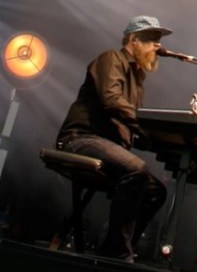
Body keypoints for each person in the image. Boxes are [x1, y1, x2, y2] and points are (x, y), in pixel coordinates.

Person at [56, 15, 171, 262]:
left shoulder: (137, 80)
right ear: (133, 39)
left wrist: (167, 143)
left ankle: (112, 246)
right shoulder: (111, 59)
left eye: (159, 40)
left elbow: (130, 128)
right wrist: (149, 128)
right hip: (80, 139)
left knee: (156, 192)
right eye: (152, 38)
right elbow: (111, 101)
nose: (158, 45)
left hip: (105, 145)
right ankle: (117, 251)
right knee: (137, 168)